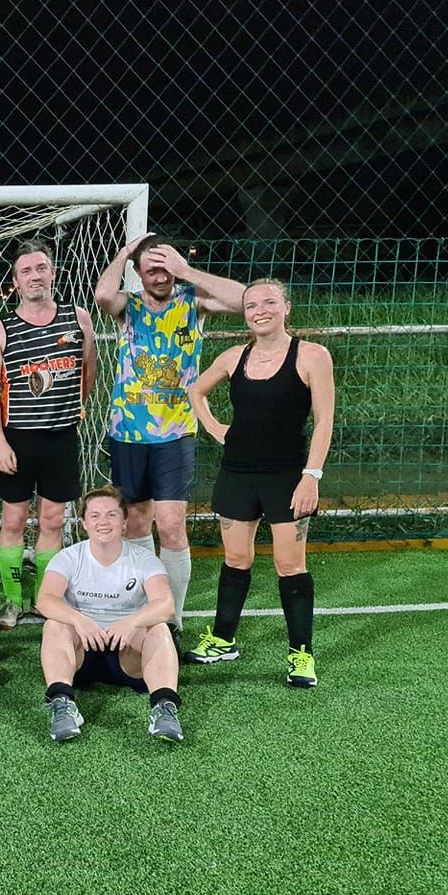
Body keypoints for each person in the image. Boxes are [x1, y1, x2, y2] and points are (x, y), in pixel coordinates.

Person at [184, 278, 336, 687]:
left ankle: (301, 654)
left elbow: (324, 423)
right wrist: (216, 428)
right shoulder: (234, 357)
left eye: (269, 302)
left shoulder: (312, 356)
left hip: (287, 476)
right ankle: (222, 639)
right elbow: (196, 391)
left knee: (290, 565)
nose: (259, 310)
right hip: (237, 474)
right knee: (236, 560)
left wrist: (312, 476)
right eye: (251, 305)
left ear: (286, 307)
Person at [93, 235, 244, 639]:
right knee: (137, 522)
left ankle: (172, 618)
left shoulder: (192, 300)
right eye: (150, 268)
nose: (159, 275)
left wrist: (186, 270)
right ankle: (147, 610)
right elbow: (103, 294)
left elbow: (246, 299)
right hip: (128, 432)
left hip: (176, 432)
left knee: (173, 525)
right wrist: (126, 252)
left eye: (165, 268)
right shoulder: (131, 306)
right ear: (138, 272)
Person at [0, 240, 98, 629]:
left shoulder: (77, 318)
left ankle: (46, 598)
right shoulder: (2, 329)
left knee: (51, 521)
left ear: (52, 273)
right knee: (13, 522)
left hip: (61, 438)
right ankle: (13, 601)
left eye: (41, 268)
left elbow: (88, 371)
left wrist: (70, 406)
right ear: (15, 281)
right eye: (26, 271)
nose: (35, 276)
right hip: (18, 439)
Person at [34, 485, 183, 744]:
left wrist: (131, 622)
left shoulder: (143, 559)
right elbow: (45, 600)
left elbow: (166, 604)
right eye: (95, 515)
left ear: (125, 522)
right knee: (55, 625)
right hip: (81, 652)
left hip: (128, 653)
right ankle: (62, 704)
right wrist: (79, 620)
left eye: (112, 515)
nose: (103, 521)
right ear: (84, 523)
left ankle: (164, 709)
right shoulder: (69, 557)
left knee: (158, 628)